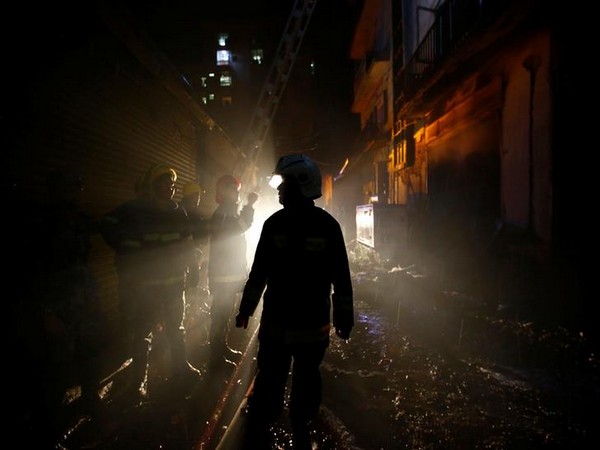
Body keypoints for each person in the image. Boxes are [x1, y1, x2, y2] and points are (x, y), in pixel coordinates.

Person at [234, 154, 354, 450]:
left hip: (294, 325)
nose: (278, 190)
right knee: (284, 380)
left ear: (300, 183)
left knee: (301, 381)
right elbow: (259, 271)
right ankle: (289, 424)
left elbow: (341, 276)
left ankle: (293, 427)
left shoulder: (317, 226)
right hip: (294, 325)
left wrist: (344, 316)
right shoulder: (289, 224)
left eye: (283, 183)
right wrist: (246, 308)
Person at [16, 169, 106, 447]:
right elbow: (29, 273)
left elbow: (86, 259)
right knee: (55, 375)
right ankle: (48, 435)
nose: (76, 194)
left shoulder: (79, 221)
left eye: (78, 189)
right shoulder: (41, 224)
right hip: (57, 309)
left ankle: (91, 400)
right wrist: (46, 311)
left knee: (89, 357)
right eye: (71, 189)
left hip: (82, 306)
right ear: (57, 191)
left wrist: (92, 296)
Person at [100, 163, 202, 399]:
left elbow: (187, 243)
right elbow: (107, 224)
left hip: (175, 284)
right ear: (153, 186)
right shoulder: (135, 209)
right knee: (143, 333)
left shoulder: (178, 212)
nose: (170, 187)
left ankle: (181, 368)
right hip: (147, 287)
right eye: (165, 183)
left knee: (176, 328)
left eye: (172, 183)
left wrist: (193, 269)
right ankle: (138, 382)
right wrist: (127, 248)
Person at [207, 174, 258, 371]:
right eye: (232, 189)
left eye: (236, 190)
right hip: (223, 276)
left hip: (227, 275)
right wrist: (250, 206)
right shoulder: (224, 213)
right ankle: (215, 361)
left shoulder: (228, 211)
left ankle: (222, 349)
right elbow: (242, 227)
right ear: (222, 192)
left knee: (224, 315)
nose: (236, 193)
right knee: (220, 316)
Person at [179, 182, 210, 328]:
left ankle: (187, 313)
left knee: (190, 284)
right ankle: (185, 317)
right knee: (190, 283)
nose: (198, 198)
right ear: (190, 195)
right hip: (186, 257)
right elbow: (199, 233)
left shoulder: (182, 209)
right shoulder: (188, 212)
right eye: (196, 195)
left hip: (190, 255)